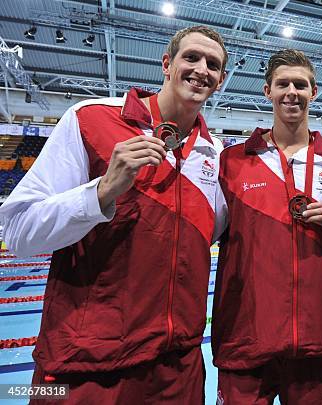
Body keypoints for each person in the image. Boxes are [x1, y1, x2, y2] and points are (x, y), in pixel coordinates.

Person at [0, 25, 228, 403]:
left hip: (176, 371)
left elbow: (209, 238)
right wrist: (101, 191)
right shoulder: (90, 119)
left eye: (213, 64)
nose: (201, 69)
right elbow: (19, 232)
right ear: (167, 64)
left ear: (220, 81)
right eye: (191, 57)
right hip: (85, 368)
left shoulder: (215, 155)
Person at [211, 49, 322, 404]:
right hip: (245, 337)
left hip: (316, 340)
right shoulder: (233, 161)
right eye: (283, 84)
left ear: (313, 91)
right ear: (267, 90)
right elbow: (207, 230)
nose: (291, 92)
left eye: (300, 84)